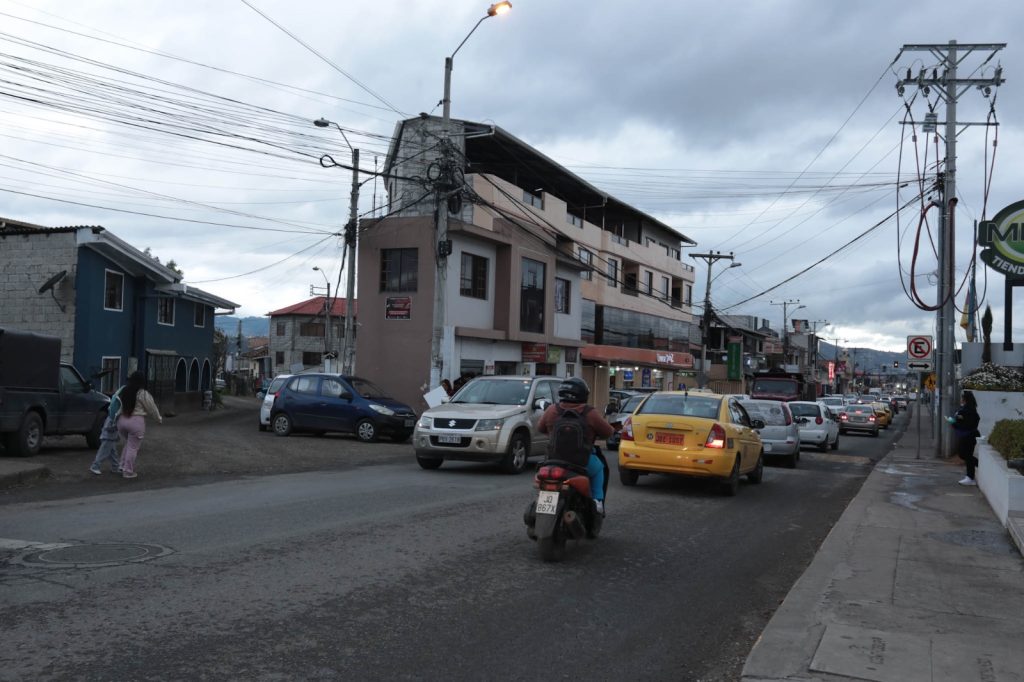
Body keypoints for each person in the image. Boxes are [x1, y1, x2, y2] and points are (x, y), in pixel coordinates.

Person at [537, 377, 616, 515]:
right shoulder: (589, 412)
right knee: (599, 469)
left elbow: (540, 428)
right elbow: (608, 432)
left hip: (553, 460)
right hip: (581, 461)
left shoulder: (551, 410)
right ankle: (597, 502)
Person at [117, 370, 163, 479]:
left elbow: (119, 406)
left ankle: (121, 466)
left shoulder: (125, 390)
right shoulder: (142, 393)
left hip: (122, 420)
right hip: (136, 422)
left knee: (129, 443)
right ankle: (128, 471)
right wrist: (159, 419)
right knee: (133, 447)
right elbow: (152, 408)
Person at [947, 389, 981, 486]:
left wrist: (954, 422)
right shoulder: (969, 409)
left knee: (965, 454)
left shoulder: (968, 411)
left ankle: (972, 475)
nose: (961, 400)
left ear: (965, 399)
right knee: (965, 454)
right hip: (969, 435)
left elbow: (965, 424)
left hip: (968, 435)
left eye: (962, 398)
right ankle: (970, 476)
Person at [89, 385, 124, 475]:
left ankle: (115, 466)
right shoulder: (120, 400)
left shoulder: (116, 397)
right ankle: (95, 466)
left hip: (110, 422)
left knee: (111, 449)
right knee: (105, 448)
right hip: (112, 424)